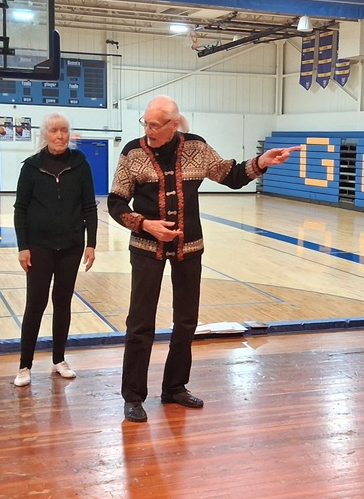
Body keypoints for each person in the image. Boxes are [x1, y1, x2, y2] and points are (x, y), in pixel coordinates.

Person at [107, 95, 299, 423]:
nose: (149, 130)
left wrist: (261, 162)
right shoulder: (132, 153)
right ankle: (134, 396)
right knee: (140, 324)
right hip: (145, 248)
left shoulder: (196, 148)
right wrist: (145, 224)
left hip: (189, 248)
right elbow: (116, 202)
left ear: (173, 125)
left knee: (186, 321)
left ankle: (175, 387)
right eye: (146, 123)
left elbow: (231, 176)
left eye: (155, 124)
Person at [12, 112, 98, 387]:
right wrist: (23, 247)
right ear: (44, 134)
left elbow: (89, 207)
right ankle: (24, 365)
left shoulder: (80, 164)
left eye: (64, 131)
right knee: (35, 304)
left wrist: (91, 243)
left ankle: (59, 359)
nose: (60, 136)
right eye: (53, 131)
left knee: (63, 303)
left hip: (71, 247)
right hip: (39, 247)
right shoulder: (32, 167)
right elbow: (20, 209)